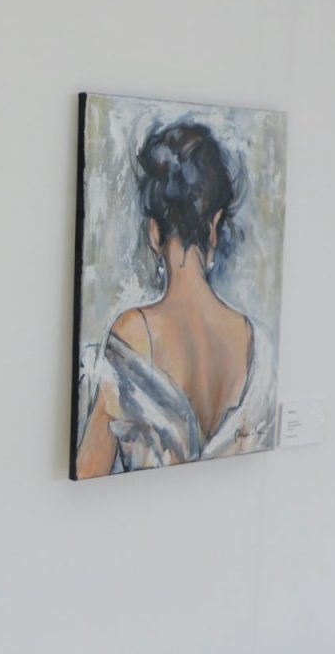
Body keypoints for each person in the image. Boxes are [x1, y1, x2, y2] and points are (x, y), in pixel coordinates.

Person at [75, 115, 276, 477]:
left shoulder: (134, 334)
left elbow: (87, 472)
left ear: (154, 233)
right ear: (214, 227)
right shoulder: (257, 345)